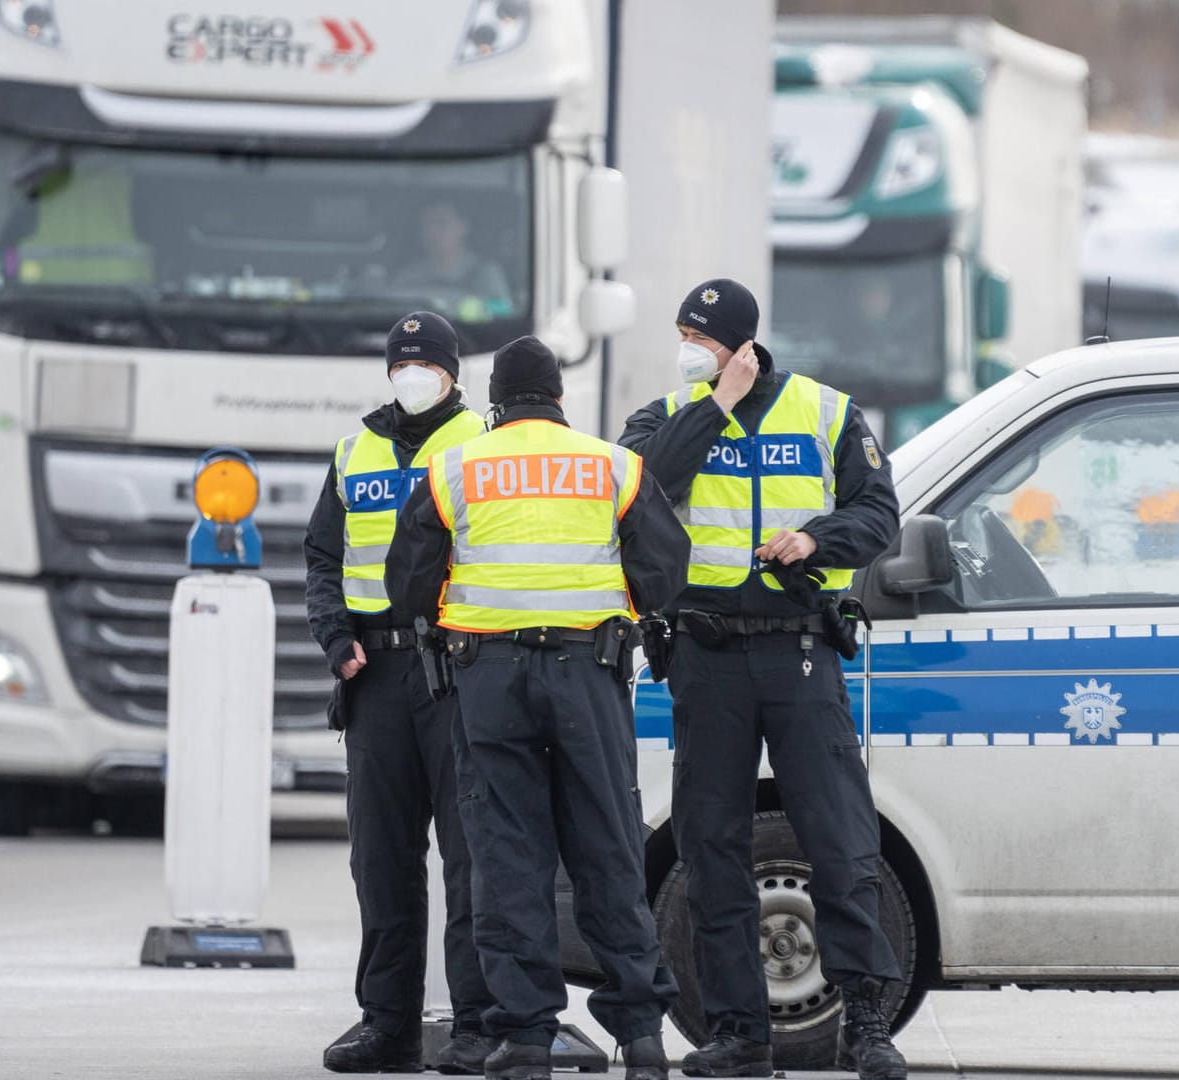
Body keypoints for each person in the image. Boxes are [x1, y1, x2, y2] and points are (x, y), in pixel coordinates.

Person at [618, 279, 908, 1080]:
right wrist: (717, 404)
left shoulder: (825, 412)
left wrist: (816, 540)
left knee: (840, 839)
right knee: (711, 847)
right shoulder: (667, 416)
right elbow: (638, 495)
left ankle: (868, 1025)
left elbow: (879, 516)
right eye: (680, 332)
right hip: (706, 656)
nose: (686, 347)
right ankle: (739, 1034)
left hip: (799, 648)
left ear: (740, 341)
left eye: (699, 335)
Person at [385, 335, 687, 1080]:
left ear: (495, 402)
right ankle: (641, 1038)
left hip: (488, 680)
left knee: (507, 856)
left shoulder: (454, 468)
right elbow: (665, 568)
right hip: (589, 673)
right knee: (609, 849)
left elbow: (408, 583)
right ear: (559, 398)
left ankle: (525, 1038)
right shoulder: (610, 465)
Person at [303, 310, 497, 1074]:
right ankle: (388, 1023)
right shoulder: (355, 451)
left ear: (453, 374)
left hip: (457, 668)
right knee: (381, 858)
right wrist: (335, 637)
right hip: (375, 673)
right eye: (400, 365)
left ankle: (478, 1021)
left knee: (472, 855)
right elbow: (322, 555)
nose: (411, 376)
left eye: (426, 365)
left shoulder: (482, 444)